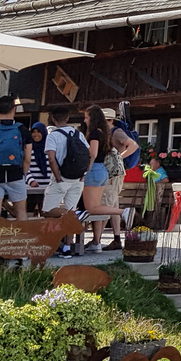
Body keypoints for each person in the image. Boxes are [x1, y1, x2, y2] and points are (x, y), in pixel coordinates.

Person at [79, 105, 123, 253]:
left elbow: (93, 153)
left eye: (86, 117)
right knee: (96, 208)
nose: (84, 120)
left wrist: (86, 170)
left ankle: (123, 212)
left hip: (94, 169)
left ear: (93, 118)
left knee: (91, 208)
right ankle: (96, 242)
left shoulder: (93, 134)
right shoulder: (104, 133)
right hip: (103, 171)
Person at [42, 107, 90, 218]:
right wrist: (84, 174)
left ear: (53, 118)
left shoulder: (52, 136)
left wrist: (58, 178)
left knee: (47, 211)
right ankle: (75, 215)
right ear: (67, 118)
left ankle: (76, 214)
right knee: (71, 208)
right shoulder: (79, 134)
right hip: (78, 178)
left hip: (61, 176)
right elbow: (90, 155)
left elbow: (51, 159)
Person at [25, 122, 53, 190]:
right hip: (31, 188)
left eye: (38, 132)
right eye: (33, 132)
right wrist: (31, 181)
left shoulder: (50, 149)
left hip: (49, 188)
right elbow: (24, 166)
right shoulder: (27, 148)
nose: (36, 134)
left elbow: (55, 166)